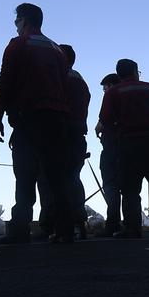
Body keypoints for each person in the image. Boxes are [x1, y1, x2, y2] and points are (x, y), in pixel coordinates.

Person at [0, 3, 73, 244]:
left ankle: (19, 229)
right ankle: (65, 230)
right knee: (57, 177)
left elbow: (5, 81)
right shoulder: (57, 50)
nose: (16, 27)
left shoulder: (18, 44)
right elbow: (65, 86)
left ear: (25, 21)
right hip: (56, 120)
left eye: (17, 22)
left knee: (25, 175)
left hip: (29, 119)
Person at [96, 59, 149, 239]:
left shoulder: (113, 92)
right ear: (136, 72)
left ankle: (132, 227)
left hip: (128, 143)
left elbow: (105, 119)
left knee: (130, 188)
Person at [59, 44, 91, 239]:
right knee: (73, 179)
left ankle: (56, 226)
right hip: (78, 134)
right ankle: (80, 222)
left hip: (60, 133)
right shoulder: (80, 80)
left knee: (53, 180)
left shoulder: (60, 77)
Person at [96, 73, 121, 235]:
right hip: (128, 147)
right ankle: (132, 224)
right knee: (129, 189)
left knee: (111, 187)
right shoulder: (131, 98)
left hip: (111, 148)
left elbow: (102, 121)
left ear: (111, 85)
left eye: (105, 87)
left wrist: (98, 129)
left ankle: (112, 224)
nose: (104, 90)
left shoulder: (111, 97)